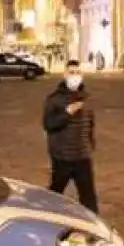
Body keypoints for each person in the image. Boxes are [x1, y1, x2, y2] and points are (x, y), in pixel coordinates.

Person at [42, 60, 98, 213]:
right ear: (65, 75)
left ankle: (94, 228)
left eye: (77, 73)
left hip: (83, 157)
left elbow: (90, 124)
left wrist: (90, 145)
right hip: (63, 157)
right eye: (71, 72)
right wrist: (67, 113)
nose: (74, 76)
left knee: (89, 198)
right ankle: (45, 218)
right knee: (55, 193)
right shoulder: (53, 99)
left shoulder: (87, 98)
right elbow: (48, 124)